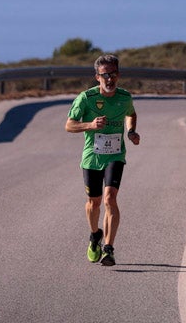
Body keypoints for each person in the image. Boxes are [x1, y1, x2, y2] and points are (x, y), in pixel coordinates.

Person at [65, 53, 141, 265]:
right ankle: (94, 235)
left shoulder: (125, 97)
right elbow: (69, 125)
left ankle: (108, 248)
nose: (109, 79)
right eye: (105, 75)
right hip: (92, 157)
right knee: (94, 202)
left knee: (110, 199)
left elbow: (131, 114)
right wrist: (90, 125)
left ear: (119, 75)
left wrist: (131, 131)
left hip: (115, 155)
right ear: (97, 77)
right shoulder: (86, 98)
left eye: (113, 74)